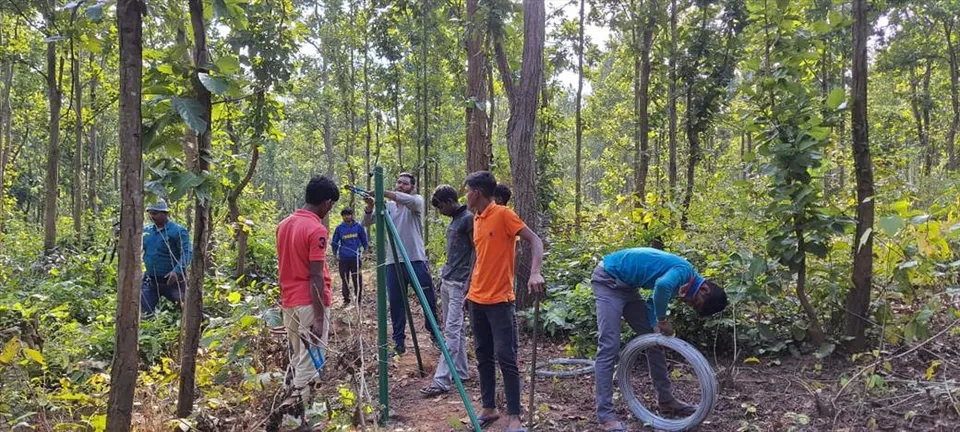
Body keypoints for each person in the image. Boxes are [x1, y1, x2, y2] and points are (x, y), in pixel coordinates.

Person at [591, 247, 728, 432]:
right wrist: (662, 320)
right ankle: (605, 416)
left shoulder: (683, 284)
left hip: (628, 287)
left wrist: (655, 322)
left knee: (654, 340)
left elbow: (653, 300)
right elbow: (662, 286)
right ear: (704, 289)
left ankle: (666, 400)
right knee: (609, 346)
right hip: (608, 279)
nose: (689, 304)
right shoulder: (684, 272)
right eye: (695, 302)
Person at [463, 170, 544, 432]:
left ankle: (515, 416)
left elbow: (535, 240)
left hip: (500, 300)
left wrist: (535, 272)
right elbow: (480, 257)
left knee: (506, 357)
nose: (466, 195)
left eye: (467, 191)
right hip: (477, 299)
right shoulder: (476, 218)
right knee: (483, 355)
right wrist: (468, 290)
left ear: (476, 192)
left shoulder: (503, 214)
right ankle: (489, 408)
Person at [276, 175, 339, 406]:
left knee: (297, 355)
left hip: (290, 301)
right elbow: (316, 275)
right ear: (327, 203)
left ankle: (287, 404)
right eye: (331, 206)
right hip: (310, 303)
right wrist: (319, 318)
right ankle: (300, 410)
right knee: (311, 359)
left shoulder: (283, 225)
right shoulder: (316, 229)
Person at [362, 172, 439, 355]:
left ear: (412, 187)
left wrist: (381, 192)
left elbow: (405, 199)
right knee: (396, 303)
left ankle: (435, 335)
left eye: (405, 183)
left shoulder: (416, 201)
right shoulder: (387, 206)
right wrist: (371, 206)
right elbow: (366, 222)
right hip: (393, 261)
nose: (401, 185)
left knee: (427, 298)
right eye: (399, 182)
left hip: (416, 259)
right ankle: (399, 343)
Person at [420, 185, 475, 397]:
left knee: (451, 330)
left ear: (451, 202)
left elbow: (477, 251)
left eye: (441, 207)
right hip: (448, 280)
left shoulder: (468, 219)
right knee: (455, 330)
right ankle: (461, 371)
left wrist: (470, 280)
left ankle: (441, 380)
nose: (440, 211)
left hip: (461, 282)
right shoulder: (455, 220)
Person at [141, 200, 192, 316]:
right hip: (151, 281)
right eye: (150, 213)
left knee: (187, 309)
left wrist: (177, 271)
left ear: (165, 213)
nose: (152, 216)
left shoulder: (177, 231)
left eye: (155, 213)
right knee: (145, 313)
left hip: (173, 281)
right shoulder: (146, 231)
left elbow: (187, 252)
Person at [331, 207, 368, 305]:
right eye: (344, 215)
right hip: (343, 258)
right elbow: (334, 242)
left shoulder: (358, 227)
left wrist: (365, 251)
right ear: (342, 217)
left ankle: (358, 299)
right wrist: (335, 254)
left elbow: (364, 240)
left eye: (348, 215)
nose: (346, 217)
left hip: (355, 258)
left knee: (357, 279)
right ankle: (346, 299)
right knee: (345, 279)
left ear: (352, 215)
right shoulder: (339, 228)